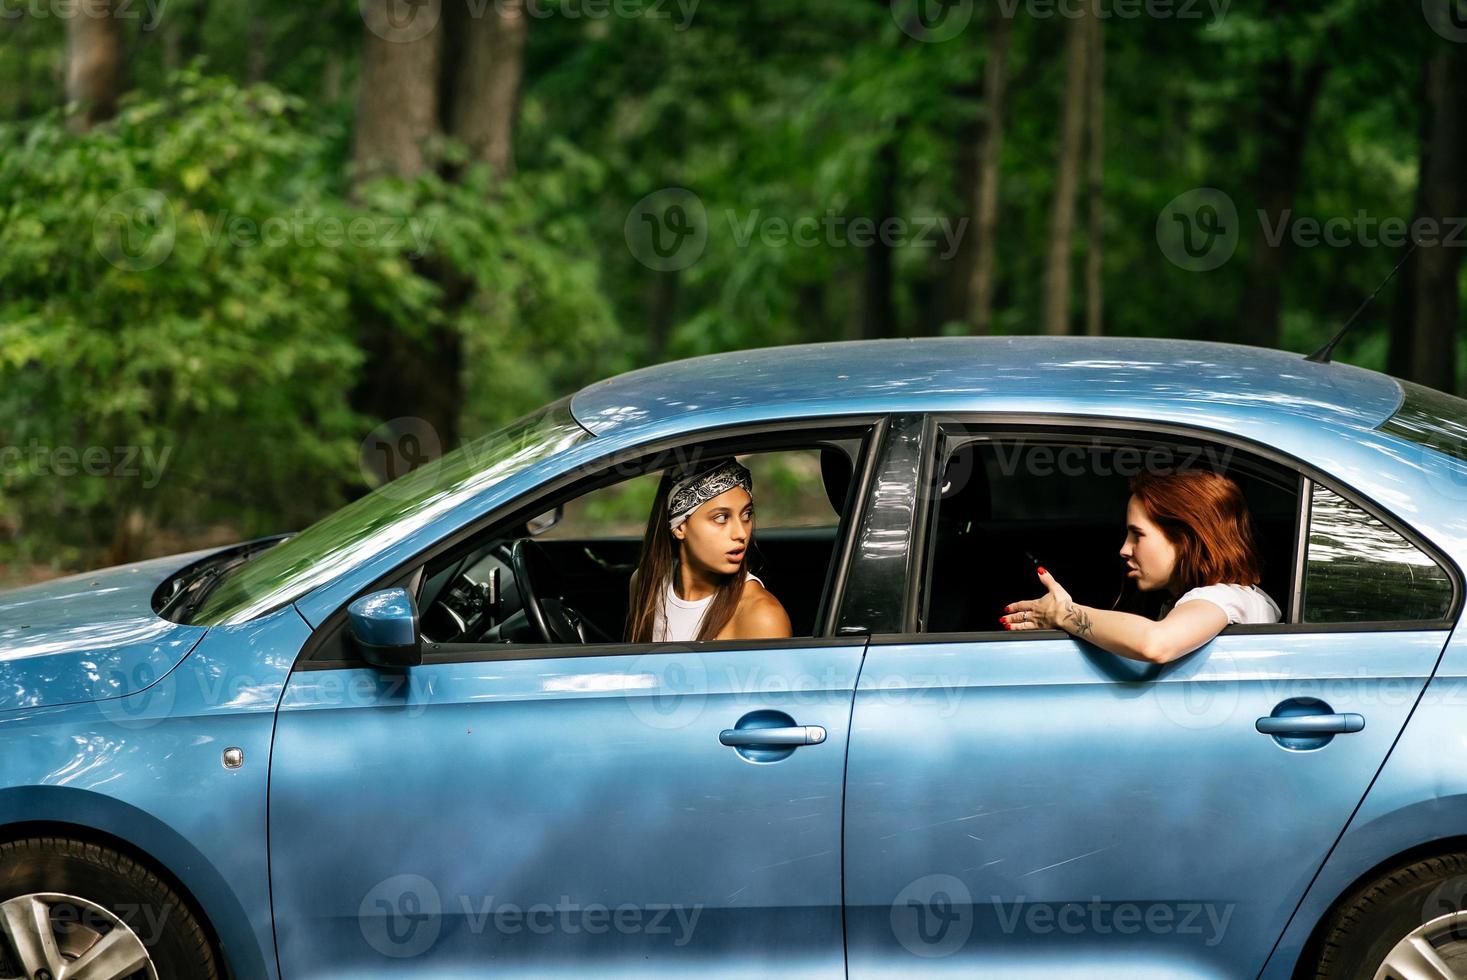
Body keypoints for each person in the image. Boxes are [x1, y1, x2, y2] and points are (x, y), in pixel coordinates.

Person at [999, 469, 1280, 663]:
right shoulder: (1232, 597)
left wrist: (1064, 614)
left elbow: (1154, 644)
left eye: (1138, 534)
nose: (1124, 549)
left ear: (1185, 539)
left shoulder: (1221, 597)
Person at [625, 456, 792, 643]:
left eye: (746, 515)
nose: (741, 533)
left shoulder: (762, 615)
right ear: (679, 527)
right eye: (721, 518)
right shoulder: (645, 584)